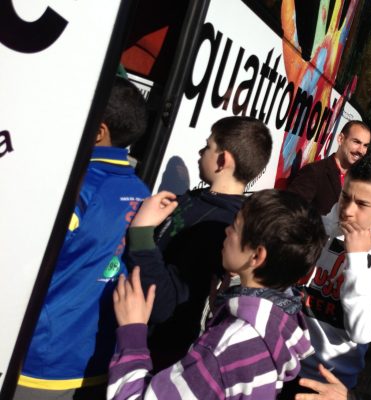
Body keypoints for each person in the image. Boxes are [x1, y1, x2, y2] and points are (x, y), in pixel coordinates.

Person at [107, 189, 328, 399]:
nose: (227, 231)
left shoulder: (225, 349)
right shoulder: (280, 320)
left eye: (235, 226)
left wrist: (132, 332)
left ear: (256, 256)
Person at [15, 77, 150, 399]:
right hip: (96, 356)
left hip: (38, 358)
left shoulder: (77, 186)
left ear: (99, 130)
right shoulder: (140, 192)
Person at [125, 116, 272, 369]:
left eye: (207, 147)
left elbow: (163, 305)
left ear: (223, 160)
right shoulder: (196, 199)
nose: (200, 152)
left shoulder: (220, 228)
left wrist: (141, 234)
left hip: (154, 355)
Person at [280, 149, 371, 398]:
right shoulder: (323, 227)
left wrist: (357, 257)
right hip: (281, 361)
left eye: (362, 204)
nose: (348, 210)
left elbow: (363, 331)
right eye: (345, 197)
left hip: (326, 383)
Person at [287, 120, 370, 215]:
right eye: (356, 142)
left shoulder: (359, 180)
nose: (361, 150)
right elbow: (289, 214)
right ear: (340, 139)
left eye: (365, 146)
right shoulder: (314, 172)